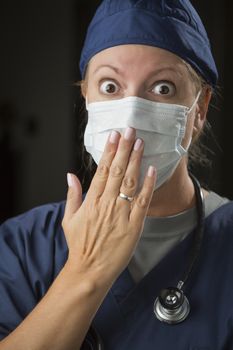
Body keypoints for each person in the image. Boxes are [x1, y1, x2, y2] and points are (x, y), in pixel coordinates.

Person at [0, 0, 232, 349]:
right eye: (110, 86)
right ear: (87, 98)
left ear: (198, 109)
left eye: (162, 87)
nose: (131, 116)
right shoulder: (23, 246)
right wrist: (86, 271)